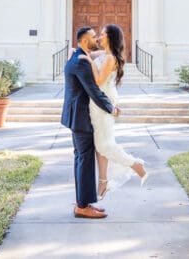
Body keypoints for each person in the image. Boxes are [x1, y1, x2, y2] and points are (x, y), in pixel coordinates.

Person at [84, 24, 148, 199]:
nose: (99, 37)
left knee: (104, 144)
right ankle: (103, 182)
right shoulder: (104, 54)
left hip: (102, 101)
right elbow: (86, 54)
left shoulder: (111, 58)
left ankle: (135, 165)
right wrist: (82, 53)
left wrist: (89, 63)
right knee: (100, 143)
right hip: (96, 100)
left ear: (111, 38)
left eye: (103, 35)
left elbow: (97, 81)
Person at [61, 26, 119, 219]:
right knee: (84, 160)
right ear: (86, 41)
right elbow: (93, 90)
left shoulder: (77, 56)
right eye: (94, 37)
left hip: (75, 115)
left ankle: (84, 202)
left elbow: (99, 53)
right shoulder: (81, 62)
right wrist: (111, 108)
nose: (97, 39)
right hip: (81, 116)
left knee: (81, 159)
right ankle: (83, 206)